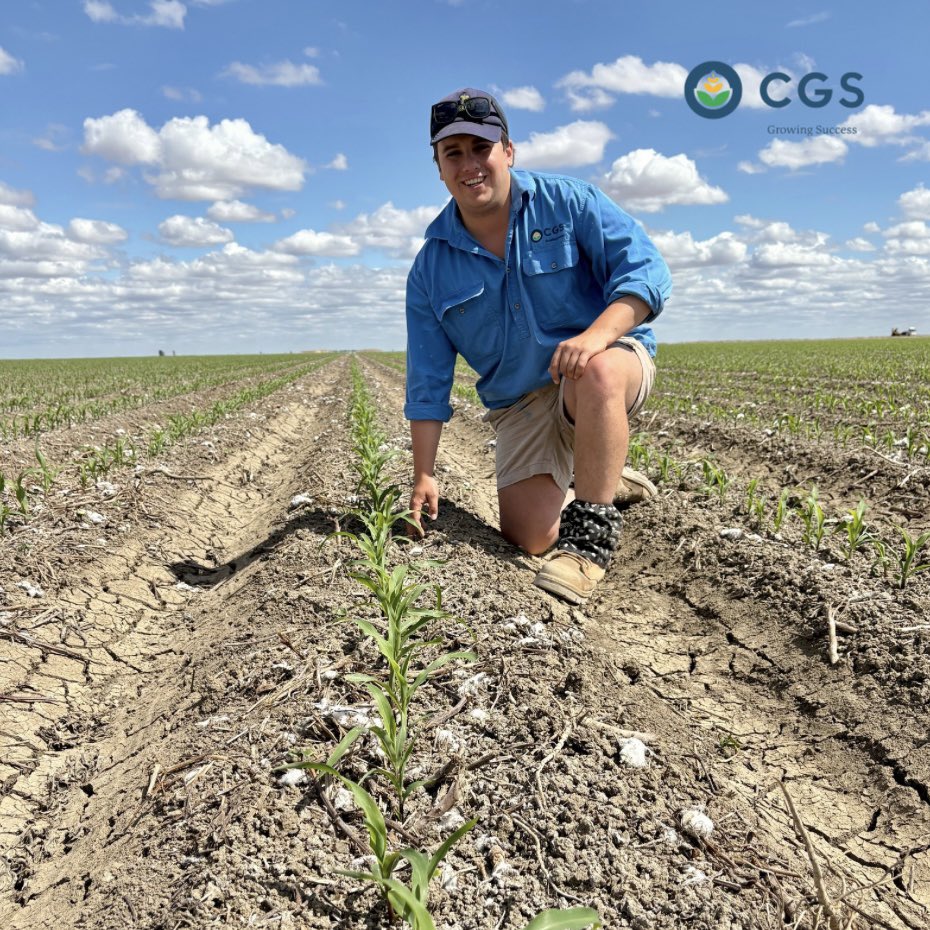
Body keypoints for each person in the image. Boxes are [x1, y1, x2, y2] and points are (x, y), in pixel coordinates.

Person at [404, 88, 671, 604]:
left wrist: (595, 337)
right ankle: (605, 477)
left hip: (605, 366)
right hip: (521, 402)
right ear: (438, 167)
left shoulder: (569, 202)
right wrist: (423, 474)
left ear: (508, 151)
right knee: (530, 538)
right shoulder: (430, 268)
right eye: (452, 154)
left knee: (593, 372)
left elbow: (648, 272)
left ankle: (589, 546)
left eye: (480, 148)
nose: (469, 165)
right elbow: (428, 379)